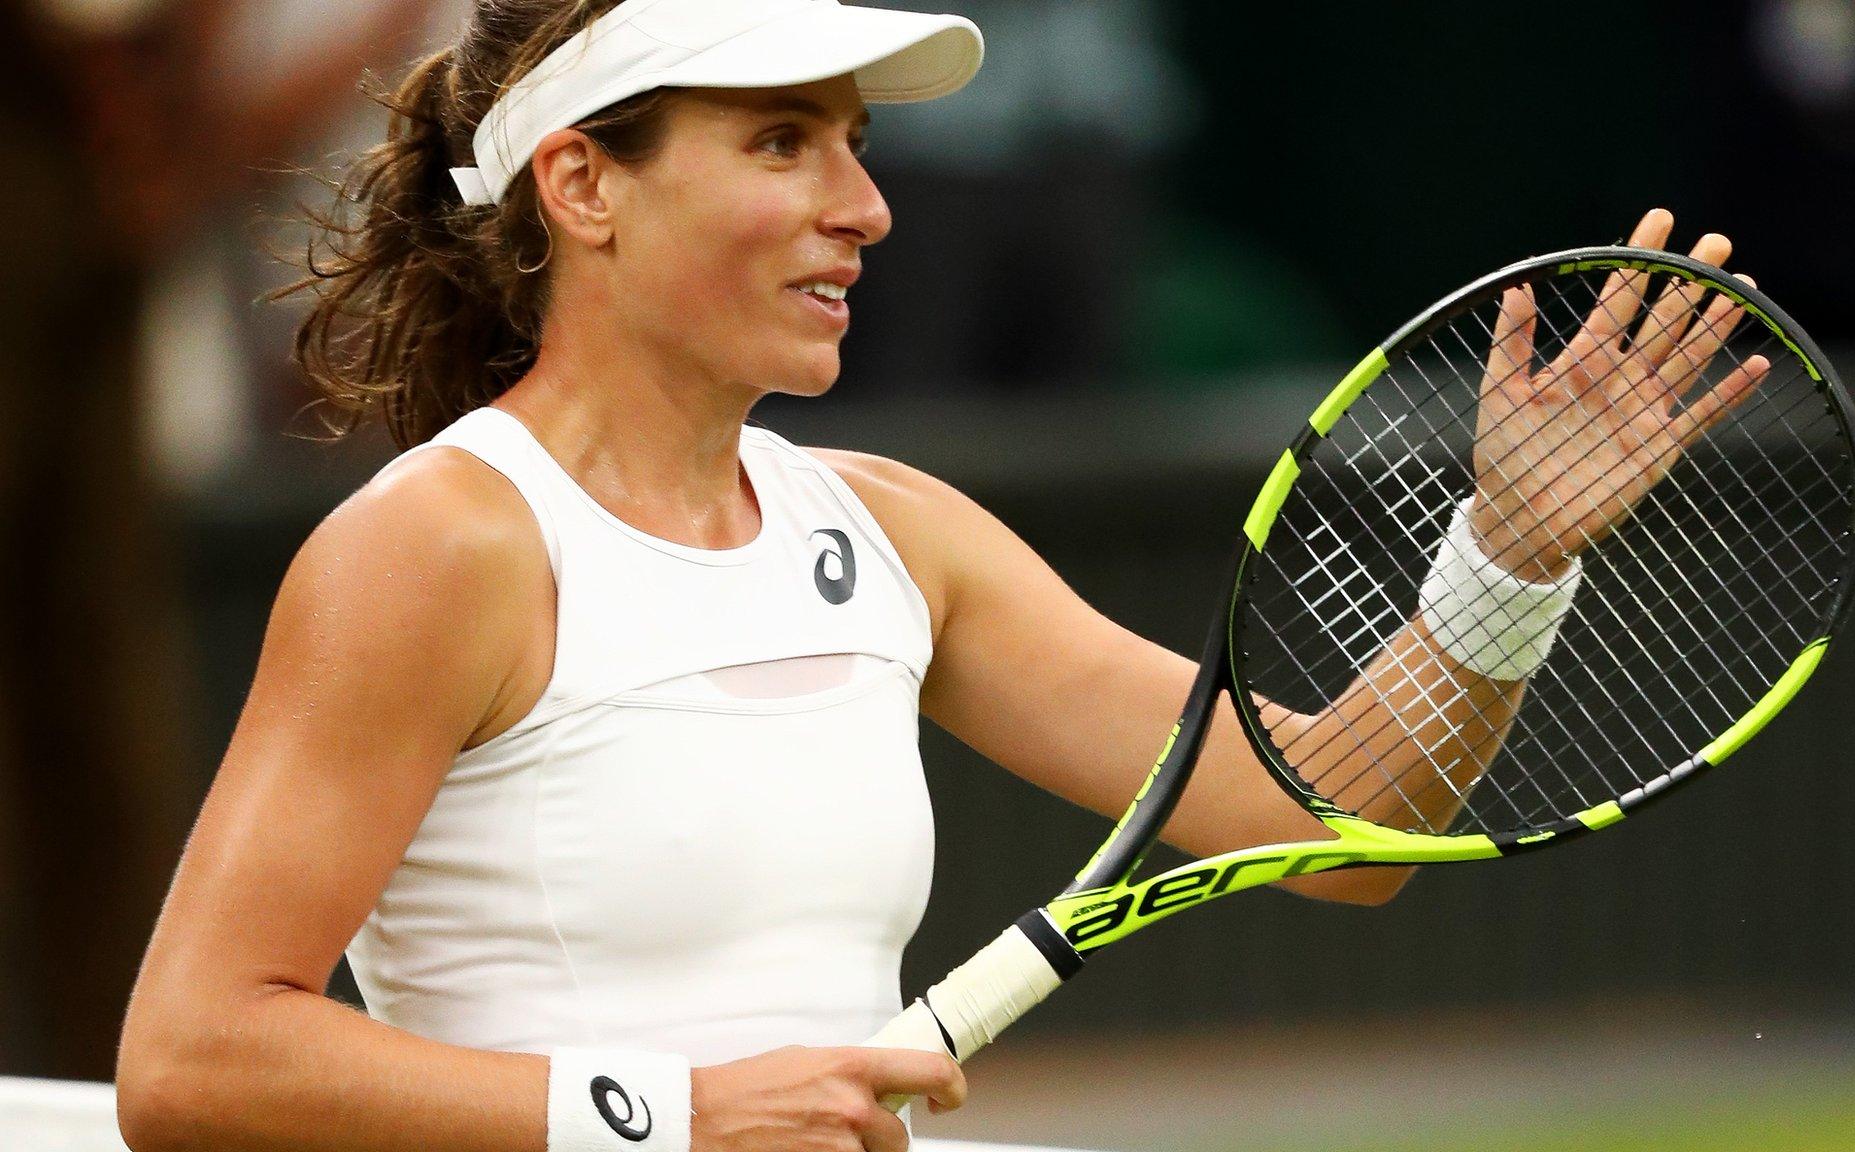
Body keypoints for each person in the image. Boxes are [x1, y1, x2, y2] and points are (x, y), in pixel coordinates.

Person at [113, 2, 1753, 1150]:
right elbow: (194, 1057)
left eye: (855, 143)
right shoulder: (438, 547)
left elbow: (1333, 835)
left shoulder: (894, 531)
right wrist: (670, 1120)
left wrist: (1509, 560)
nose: (865, 207)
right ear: (584, 183)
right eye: (781, 144)